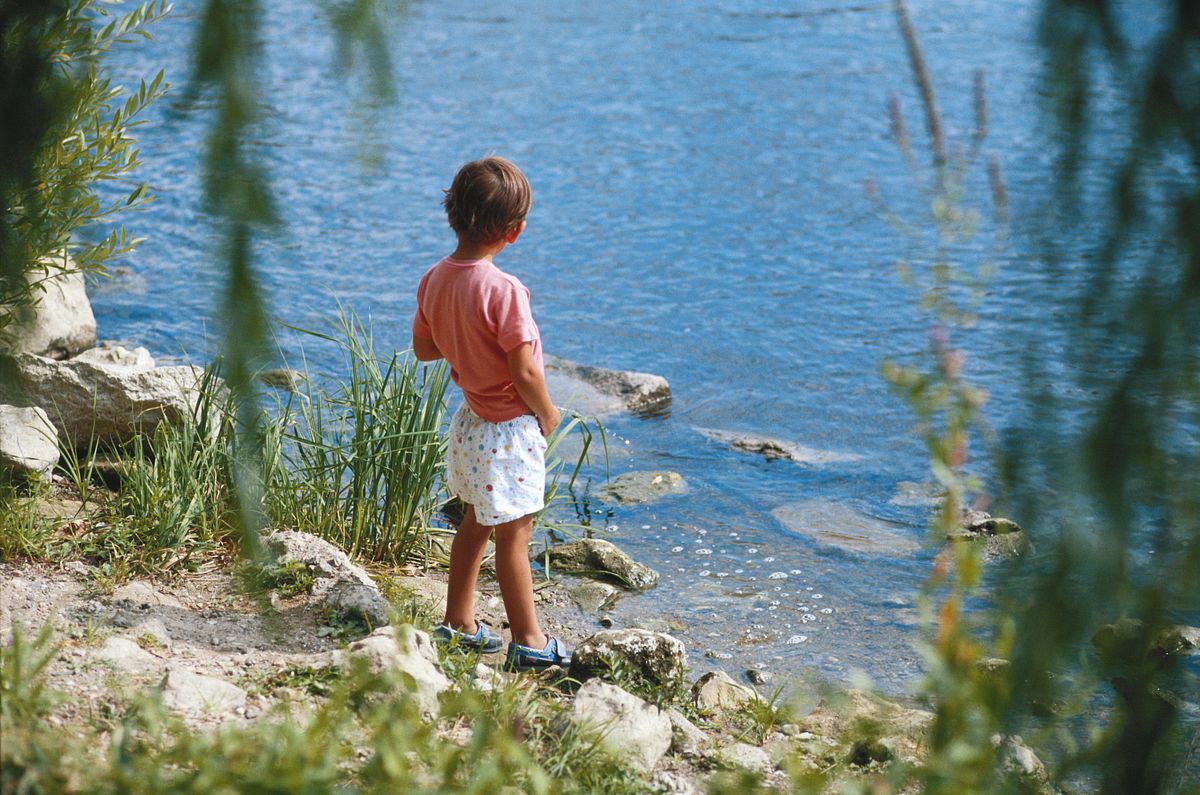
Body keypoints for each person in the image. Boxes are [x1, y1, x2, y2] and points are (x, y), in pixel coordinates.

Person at [411, 155, 570, 671]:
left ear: (451, 213)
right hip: (510, 429)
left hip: (472, 423)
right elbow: (524, 371)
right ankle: (529, 641)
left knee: (476, 521)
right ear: (515, 231)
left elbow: (424, 349)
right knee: (516, 537)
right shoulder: (505, 291)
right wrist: (547, 413)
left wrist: (464, 342)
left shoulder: (435, 279)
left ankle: (459, 621)